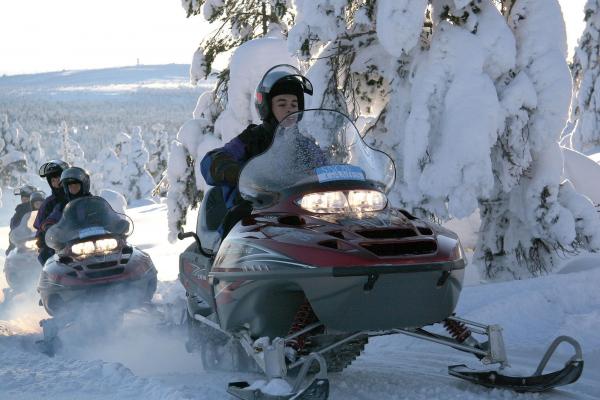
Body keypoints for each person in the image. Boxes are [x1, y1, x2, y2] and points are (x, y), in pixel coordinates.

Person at [200, 64, 313, 237]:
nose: (290, 109)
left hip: (294, 210)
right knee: (239, 220)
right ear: (267, 107)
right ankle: (225, 262)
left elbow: (323, 164)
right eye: (282, 103)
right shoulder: (252, 139)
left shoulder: (304, 144)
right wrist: (227, 168)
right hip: (254, 212)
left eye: (294, 104)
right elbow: (212, 160)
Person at [34, 160, 70, 264]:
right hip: (59, 242)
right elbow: (40, 225)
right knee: (46, 256)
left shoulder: (78, 195)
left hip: (81, 236)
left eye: (58, 178)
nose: (56, 183)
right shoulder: (47, 203)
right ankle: (50, 279)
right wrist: (41, 236)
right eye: (53, 180)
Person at [39, 167, 92, 235]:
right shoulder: (63, 205)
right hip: (72, 238)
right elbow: (53, 217)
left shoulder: (94, 202)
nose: (73, 187)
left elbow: (106, 217)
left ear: (84, 185)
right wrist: (48, 226)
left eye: (76, 184)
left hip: (95, 235)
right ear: (66, 188)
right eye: (70, 185)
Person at [5, 185, 37, 255]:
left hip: (34, 238)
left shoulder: (37, 209)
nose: (24, 198)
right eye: (23, 197)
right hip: (20, 240)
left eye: (27, 197)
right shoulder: (19, 210)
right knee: (11, 256)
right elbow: (13, 226)